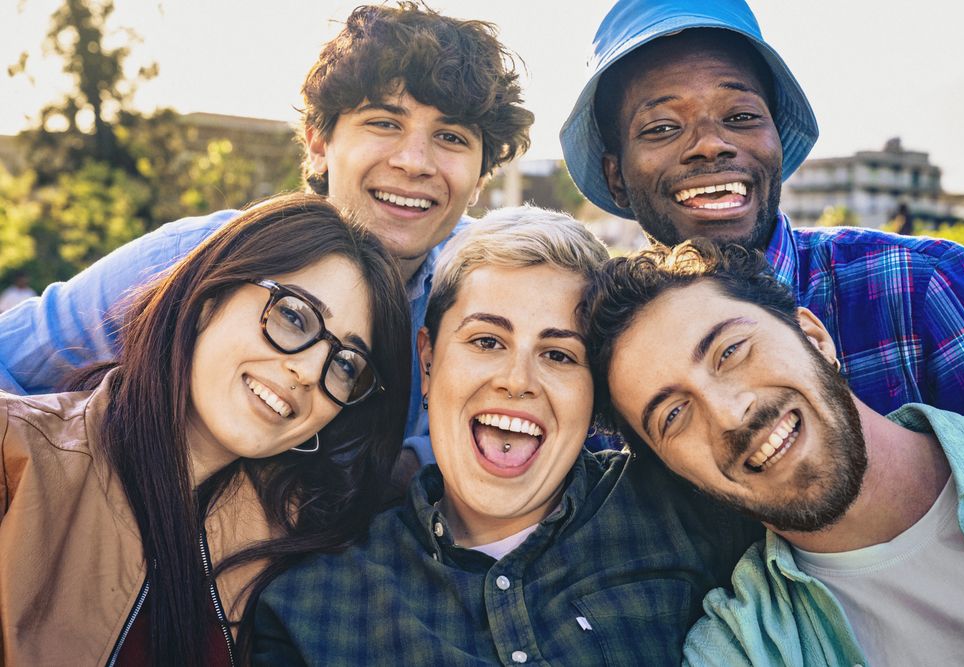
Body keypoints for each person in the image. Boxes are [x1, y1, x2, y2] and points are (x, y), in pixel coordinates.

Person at [0, 2, 533, 473]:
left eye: (450, 137)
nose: (414, 162)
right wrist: (80, 474)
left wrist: (411, 469)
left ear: (482, 173)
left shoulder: (494, 294)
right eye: (384, 123)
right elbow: (12, 357)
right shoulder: (203, 256)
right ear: (320, 142)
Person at [251, 208, 761, 665]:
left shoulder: (691, 515)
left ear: (597, 390)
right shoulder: (315, 600)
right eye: (487, 341)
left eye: (559, 355)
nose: (517, 381)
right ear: (428, 363)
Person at [0, 194, 411, 665]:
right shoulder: (15, 454)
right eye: (294, 316)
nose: (310, 371)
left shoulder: (310, 546)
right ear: (207, 300)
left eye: (346, 364)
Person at [560, 0, 964, 416]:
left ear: (776, 140)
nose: (711, 144)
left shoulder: (926, 288)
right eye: (662, 127)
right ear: (617, 176)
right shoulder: (599, 359)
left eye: (740, 116)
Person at [584, 239, 964, 666]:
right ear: (678, 474)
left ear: (815, 338)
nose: (728, 415)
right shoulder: (741, 650)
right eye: (673, 415)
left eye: (729, 352)